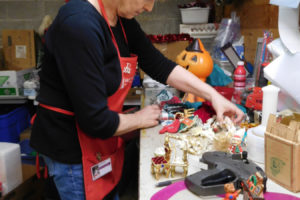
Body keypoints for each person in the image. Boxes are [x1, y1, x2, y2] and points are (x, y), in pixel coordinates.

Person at [30, 0, 245, 199]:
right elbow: (95, 121)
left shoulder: (122, 22)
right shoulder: (79, 25)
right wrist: (139, 119)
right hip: (73, 152)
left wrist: (213, 95)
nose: (150, 8)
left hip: (101, 143)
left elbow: (159, 65)